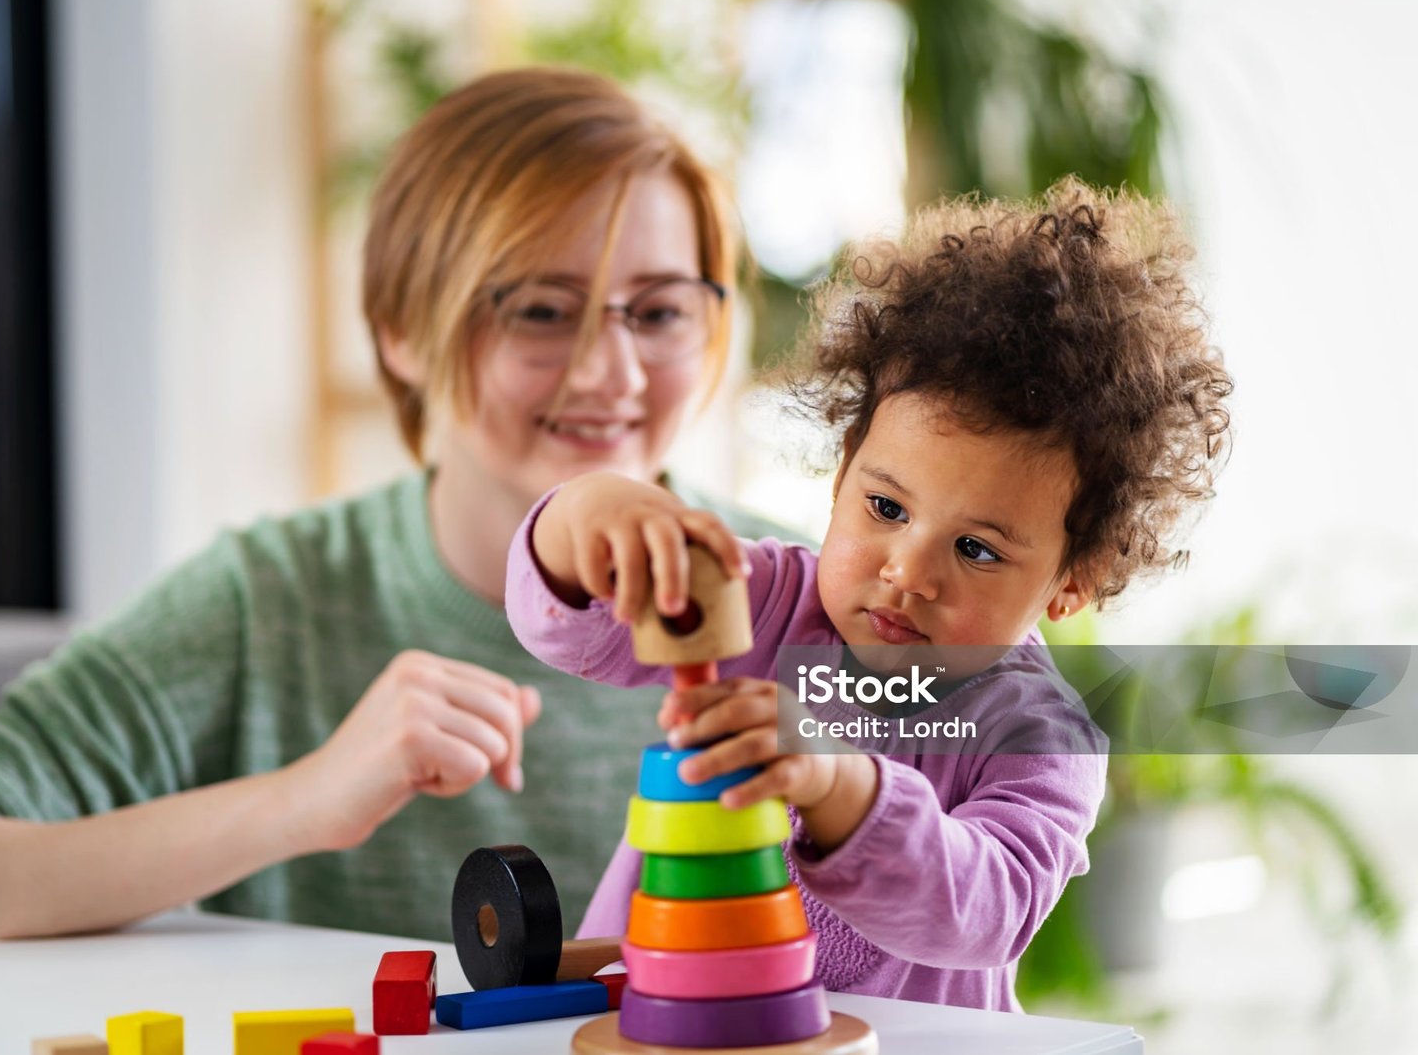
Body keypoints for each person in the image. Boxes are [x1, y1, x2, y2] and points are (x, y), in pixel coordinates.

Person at [0, 67, 807, 972]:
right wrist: (301, 799)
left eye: (662, 311)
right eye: (542, 311)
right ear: (399, 332)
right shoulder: (266, 602)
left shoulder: (820, 603)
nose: (612, 374)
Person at [506, 179, 1234, 1011]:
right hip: (666, 1022)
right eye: (885, 508)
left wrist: (842, 788)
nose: (907, 573)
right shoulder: (768, 603)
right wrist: (585, 518)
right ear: (843, 471)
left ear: (1070, 584)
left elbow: (989, 909)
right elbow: (572, 631)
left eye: (976, 549)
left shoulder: (1039, 737)